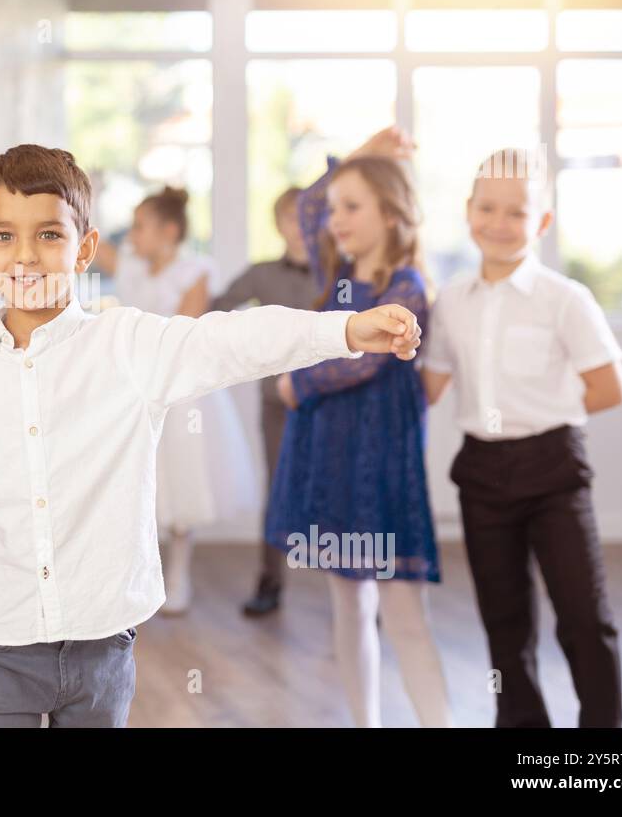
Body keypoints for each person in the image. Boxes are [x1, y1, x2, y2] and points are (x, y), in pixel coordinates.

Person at [0, 143, 422, 727]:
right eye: (3, 237)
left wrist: (346, 328)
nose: (25, 256)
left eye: (49, 234)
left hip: (103, 643)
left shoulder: (127, 344)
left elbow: (233, 340)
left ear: (87, 249)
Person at [421, 148, 622, 728]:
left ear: (541, 222)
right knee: (504, 620)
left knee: (584, 617)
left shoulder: (565, 299)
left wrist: (539, 413)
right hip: (481, 475)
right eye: (488, 208)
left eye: (517, 213)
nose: (500, 223)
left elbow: (611, 388)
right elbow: (429, 387)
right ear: (468, 212)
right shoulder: (452, 301)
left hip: (554, 469)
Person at [265, 127, 452, 728]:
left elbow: (368, 359)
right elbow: (309, 206)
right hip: (328, 454)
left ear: (392, 214)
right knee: (347, 602)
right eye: (338, 207)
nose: (337, 219)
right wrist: (363, 152)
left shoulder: (408, 285)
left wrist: (297, 383)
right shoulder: (335, 271)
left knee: (403, 613)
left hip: (381, 463)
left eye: (355, 207)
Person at [94, 186, 256, 615]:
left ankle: (177, 572)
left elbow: (185, 334)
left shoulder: (196, 271)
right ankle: (131, 576)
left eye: (141, 226)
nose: (132, 235)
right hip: (134, 388)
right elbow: (89, 239)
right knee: (133, 485)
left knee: (182, 483)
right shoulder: (130, 267)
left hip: (181, 395)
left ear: (169, 230)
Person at [209, 187, 312, 615]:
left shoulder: (345, 273)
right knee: (280, 487)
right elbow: (217, 310)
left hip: (336, 405)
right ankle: (270, 581)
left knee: (347, 489)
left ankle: (361, 583)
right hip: (278, 405)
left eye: (310, 216)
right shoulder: (261, 274)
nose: (301, 226)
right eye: (292, 217)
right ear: (278, 223)